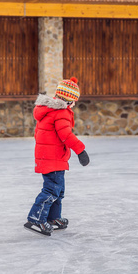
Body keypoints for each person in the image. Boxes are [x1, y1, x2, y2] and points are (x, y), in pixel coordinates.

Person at [24, 77, 90, 236]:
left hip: (50, 157)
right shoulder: (61, 113)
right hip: (53, 159)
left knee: (58, 191)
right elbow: (66, 135)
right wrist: (80, 151)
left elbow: (38, 134)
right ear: (69, 101)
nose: (74, 104)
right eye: (74, 100)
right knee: (51, 190)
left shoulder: (48, 110)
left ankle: (53, 218)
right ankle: (36, 219)